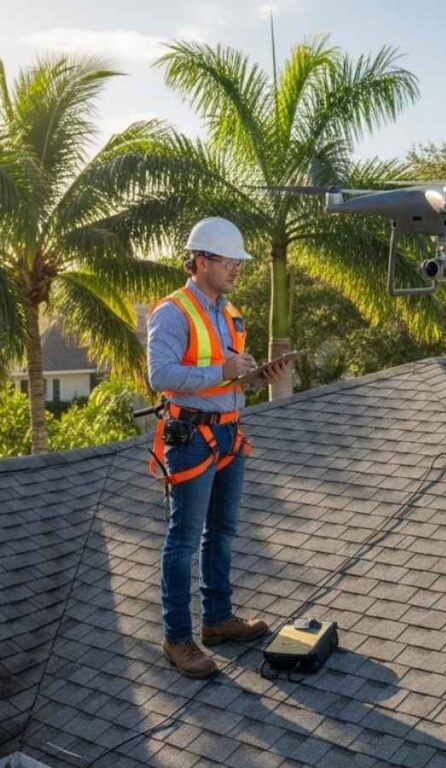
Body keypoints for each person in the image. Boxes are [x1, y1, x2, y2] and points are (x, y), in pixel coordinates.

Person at [147, 216, 291, 678]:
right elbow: (161, 375)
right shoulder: (173, 312)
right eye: (230, 261)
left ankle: (217, 619)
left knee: (222, 532)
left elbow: (230, 379)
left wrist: (255, 378)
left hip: (229, 432)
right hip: (191, 437)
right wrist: (224, 371)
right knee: (183, 540)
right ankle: (177, 638)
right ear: (201, 261)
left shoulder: (230, 314)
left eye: (239, 263)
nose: (237, 269)